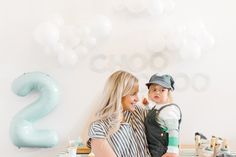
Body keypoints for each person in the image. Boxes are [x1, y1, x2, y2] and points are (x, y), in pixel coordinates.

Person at [87, 70, 151, 157]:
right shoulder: (98, 128)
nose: (137, 99)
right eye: (133, 94)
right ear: (119, 94)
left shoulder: (138, 113)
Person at [143, 73, 182, 157]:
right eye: (154, 89)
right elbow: (157, 117)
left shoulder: (169, 110)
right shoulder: (157, 107)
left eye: (162, 90)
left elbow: (173, 131)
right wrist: (147, 105)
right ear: (149, 93)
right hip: (154, 149)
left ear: (168, 93)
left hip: (164, 151)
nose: (157, 92)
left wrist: (172, 151)